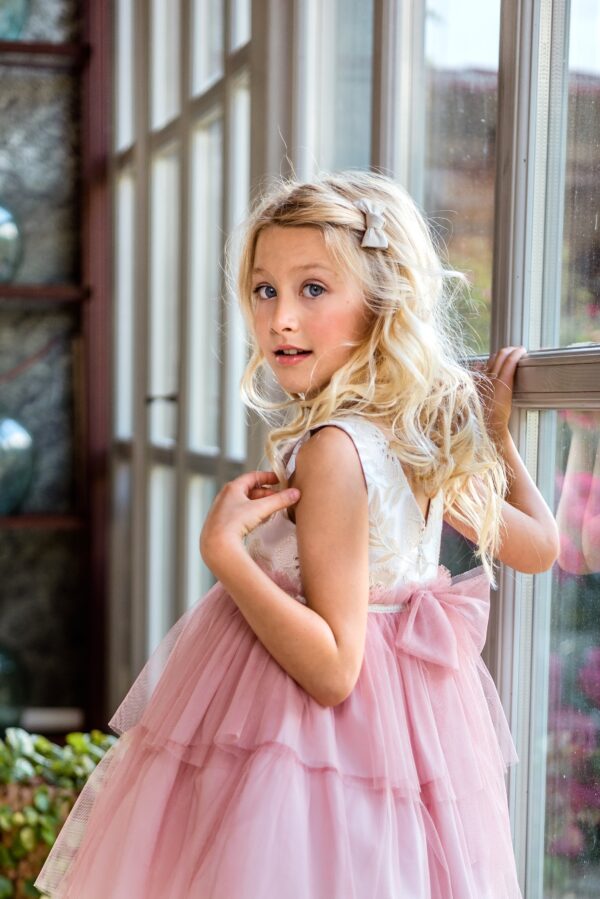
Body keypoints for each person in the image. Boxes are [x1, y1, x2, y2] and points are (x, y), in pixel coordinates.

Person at [35, 170, 560, 898]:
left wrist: (225, 554)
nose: (280, 318)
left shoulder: (336, 448)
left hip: (313, 741)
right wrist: (497, 442)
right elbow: (541, 546)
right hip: (402, 736)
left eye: (313, 289)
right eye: (264, 289)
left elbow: (333, 670)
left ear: (381, 301)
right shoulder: (405, 432)